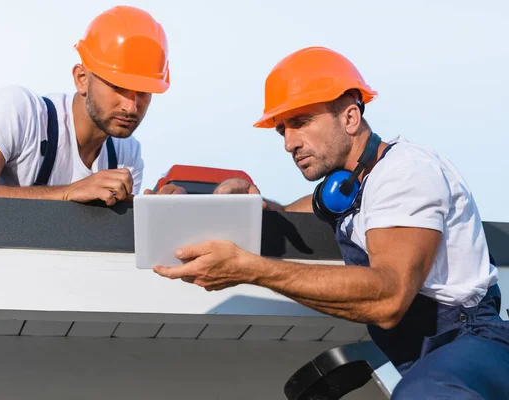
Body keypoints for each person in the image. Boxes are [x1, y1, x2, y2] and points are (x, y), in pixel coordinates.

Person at [154, 46, 509, 398]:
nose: (289, 143)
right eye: (282, 131)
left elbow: (389, 296)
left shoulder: (405, 172)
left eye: (301, 122)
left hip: (475, 344)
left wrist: (251, 270)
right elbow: (292, 214)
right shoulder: (346, 190)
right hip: (427, 362)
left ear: (350, 118)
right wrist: (252, 207)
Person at [0, 5, 184, 205]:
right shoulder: (20, 112)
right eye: (117, 87)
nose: (131, 106)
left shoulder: (127, 155)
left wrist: (153, 211)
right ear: (81, 79)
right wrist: (66, 194)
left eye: (143, 92)